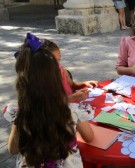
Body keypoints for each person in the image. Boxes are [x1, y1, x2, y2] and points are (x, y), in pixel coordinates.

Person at [8, 33, 94, 167]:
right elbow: (90, 137)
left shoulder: (21, 115)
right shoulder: (71, 111)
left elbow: (13, 149)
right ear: (55, 80)